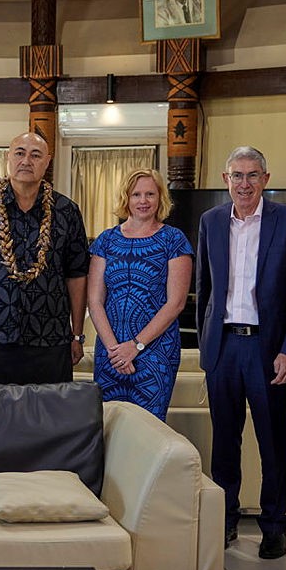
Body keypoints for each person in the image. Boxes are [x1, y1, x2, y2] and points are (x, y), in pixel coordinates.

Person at [196, 147, 286, 559]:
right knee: (225, 441)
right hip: (223, 346)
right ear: (226, 179)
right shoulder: (210, 222)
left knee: (272, 441)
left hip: (268, 349)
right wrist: (207, 349)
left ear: (265, 178)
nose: (244, 184)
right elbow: (205, 290)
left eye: (252, 175)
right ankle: (226, 520)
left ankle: (274, 527)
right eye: (237, 175)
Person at [0, 131, 89, 384]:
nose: (27, 161)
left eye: (36, 155)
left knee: (48, 417)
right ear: (8, 158)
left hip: (51, 336)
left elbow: (77, 275)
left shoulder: (67, 211)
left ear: (47, 162)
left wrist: (77, 335)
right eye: (20, 153)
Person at [86, 168, 192, 421]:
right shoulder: (106, 240)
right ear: (126, 198)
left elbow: (175, 303)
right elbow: (94, 301)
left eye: (150, 194)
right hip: (110, 354)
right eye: (136, 194)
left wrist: (135, 346)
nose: (143, 201)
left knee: (149, 428)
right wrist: (115, 350)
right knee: (106, 427)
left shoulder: (173, 240)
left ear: (160, 198)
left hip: (155, 352)